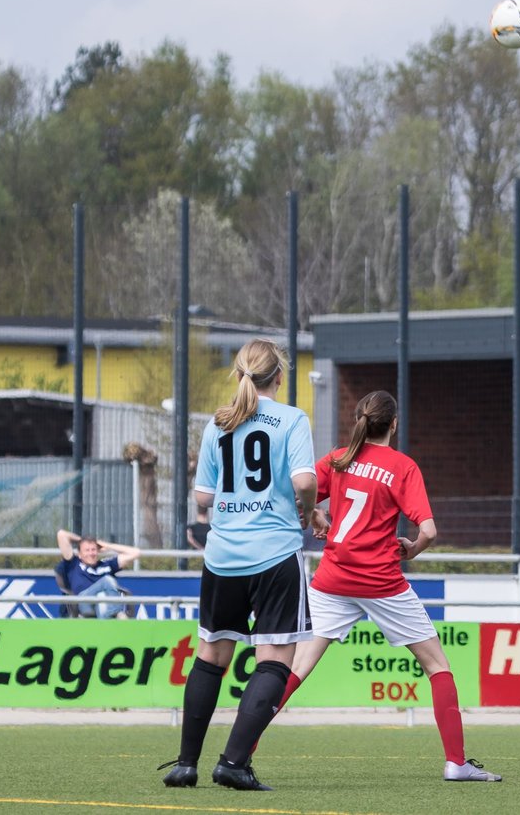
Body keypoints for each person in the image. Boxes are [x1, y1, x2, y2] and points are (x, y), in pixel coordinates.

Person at [261, 389, 501, 782]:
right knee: (437, 666)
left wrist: (317, 516)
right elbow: (429, 530)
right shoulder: (402, 467)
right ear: (393, 424)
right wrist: (412, 550)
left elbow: (292, 493)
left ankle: (241, 751)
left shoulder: (337, 459)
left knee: (297, 668)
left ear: (358, 420)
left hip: (333, 579)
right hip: (381, 582)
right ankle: (456, 763)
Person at [160, 338, 317, 792]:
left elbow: (204, 497)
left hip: (223, 556)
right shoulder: (292, 419)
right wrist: (310, 509)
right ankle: (232, 763)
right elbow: (304, 480)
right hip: (273, 555)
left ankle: (186, 764)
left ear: (239, 375)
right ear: (279, 378)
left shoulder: (218, 423)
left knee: (211, 656)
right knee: (273, 662)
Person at [55, 528, 140, 618]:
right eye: (87, 550)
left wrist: (107, 545)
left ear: (98, 551)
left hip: (103, 604)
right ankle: (117, 613)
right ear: (79, 554)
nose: (91, 553)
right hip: (83, 602)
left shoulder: (106, 565)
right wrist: (82, 540)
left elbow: (136, 553)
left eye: (93, 549)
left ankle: (105, 622)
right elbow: (61, 534)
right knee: (107, 580)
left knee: (102, 596)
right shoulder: (74, 564)